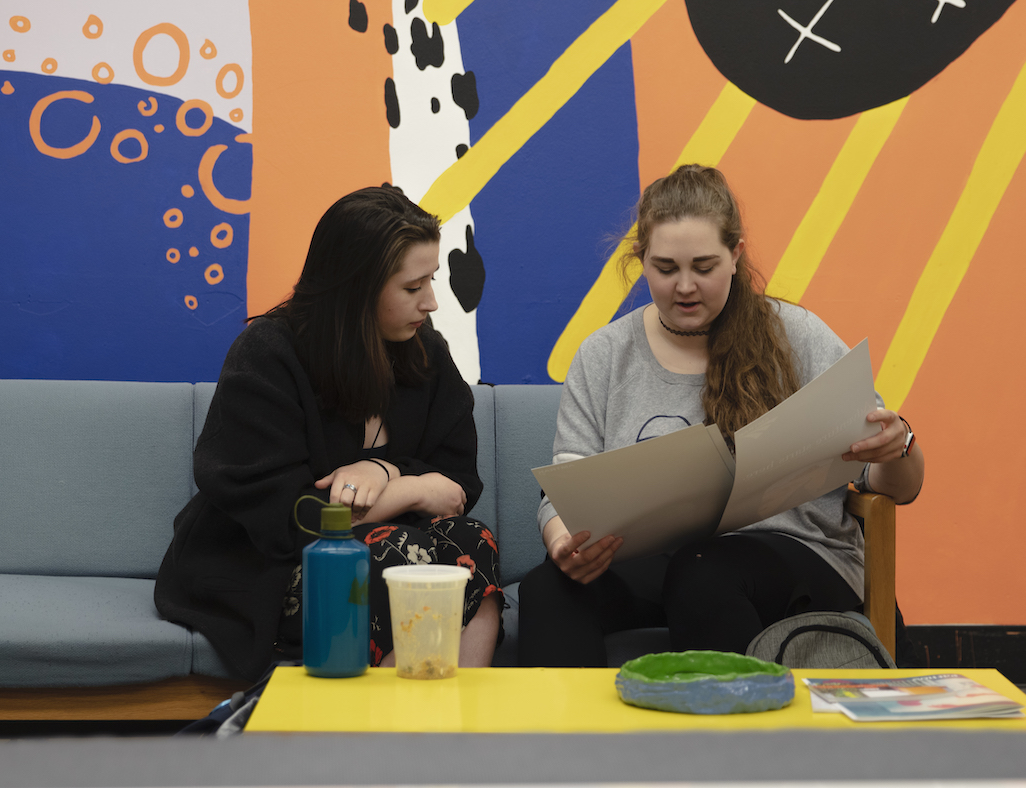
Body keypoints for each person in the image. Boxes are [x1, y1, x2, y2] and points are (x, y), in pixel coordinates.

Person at [521, 164, 924, 665]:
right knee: (548, 588)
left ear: (735, 256)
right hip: (663, 561)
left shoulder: (795, 336)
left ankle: (732, 740)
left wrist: (899, 444)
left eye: (704, 267)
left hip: (799, 554)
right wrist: (564, 540)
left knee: (705, 569)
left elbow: (895, 483)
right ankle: (572, 742)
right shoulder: (604, 354)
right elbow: (567, 479)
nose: (684, 287)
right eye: (665, 268)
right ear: (640, 260)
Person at [155, 184, 502, 678]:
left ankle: (463, 728)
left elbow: (456, 486)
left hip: (386, 544)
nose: (431, 303)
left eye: (431, 280)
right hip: (263, 567)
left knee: (473, 542)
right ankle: (384, 739)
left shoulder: (424, 350)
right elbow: (291, 519)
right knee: (390, 557)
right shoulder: (268, 356)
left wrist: (384, 470)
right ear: (356, 288)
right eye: (412, 287)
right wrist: (412, 489)